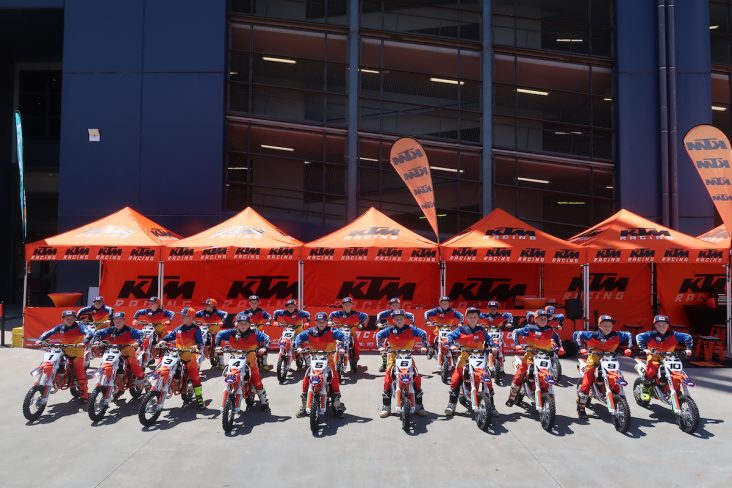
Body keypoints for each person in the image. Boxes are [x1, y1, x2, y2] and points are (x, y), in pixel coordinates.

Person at [572, 315, 632, 419]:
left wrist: (628, 348)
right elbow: (577, 334)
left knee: (618, 379)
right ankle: (581, 408)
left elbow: (629, 335)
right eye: (605, 325)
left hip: (610, 360)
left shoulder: (617, 335)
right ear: (599, 326)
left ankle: (621, 400)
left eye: (609, 325)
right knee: (586, 382)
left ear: (612, 326)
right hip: (594, 360)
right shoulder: (592, 335)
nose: (607, 327)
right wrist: (580, 348)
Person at [444, 307, 498, 416]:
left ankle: (491, 406)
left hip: (479, 359)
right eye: (470, 316)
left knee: (487, 381)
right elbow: (449, 336)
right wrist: (451, 344)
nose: (473, 318)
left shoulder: (481, 330)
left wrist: (493, 346)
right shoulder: (461, 329)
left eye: (475, 316)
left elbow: (489, 339)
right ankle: (451, 404)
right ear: (466, 318)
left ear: (478, 318)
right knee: (455, 379)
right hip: (464, 359)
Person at [376, 309, 429, 418]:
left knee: (416, 379)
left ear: (405, 320)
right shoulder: (389, 330)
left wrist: (424, 346)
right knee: (387, 379)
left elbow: (423, 333)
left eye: (401, 319)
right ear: (393, 320)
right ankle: (386, 407)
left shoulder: (411, 329)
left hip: (408, 357)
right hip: (393, 357)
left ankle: (419, 406)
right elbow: (379, 335)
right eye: (397, 319)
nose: (399, 321)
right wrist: (380, 347)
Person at [294, 312, 347, 418]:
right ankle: (304, 406)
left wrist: (342, 348)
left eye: (323, 321)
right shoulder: (311, 331)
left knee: (335, 380)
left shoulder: (333, 331)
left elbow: (344, 337)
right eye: (319, 322)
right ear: (316, 322)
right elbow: (299, 336)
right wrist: (299, 346)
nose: (321, 324)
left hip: (329, 360)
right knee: (306, 380)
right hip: (314, 360)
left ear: (327, 322)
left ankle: (336, 406)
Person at [214, 312, 271, 411]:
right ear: (237, 324)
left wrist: (265, 348)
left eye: (245, 323)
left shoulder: (255, 333)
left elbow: (266, 338)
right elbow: (219, 334)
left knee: (257, 381)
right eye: (240, 323)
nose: (243, 325)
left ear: (249, 324)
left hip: (250, 361)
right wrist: (218, 346)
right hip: (235, 360)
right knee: (228, 376)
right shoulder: (231, 332)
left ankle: (264, 401)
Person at [505, 309, 561, 407]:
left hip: (545, 357)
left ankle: (547, 395)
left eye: (545, 318)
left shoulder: (550, 329)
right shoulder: (530, 328)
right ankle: (512, 397)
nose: (543, 320)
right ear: (535, 319)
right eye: (541, 318)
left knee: (549, 376)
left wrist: (560, 347)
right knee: (519, 374)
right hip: (530, 356)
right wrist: (517, 344)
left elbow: (556, 338)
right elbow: (515, 332)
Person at [38, 310, 93, 403]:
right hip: (64, 352)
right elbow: (49, 332)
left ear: (75, 319)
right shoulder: (60, 327)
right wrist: (40, 339)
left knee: (79, 371)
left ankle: (84, 394)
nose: (69, 320)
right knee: (51, 362)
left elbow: (89, 333)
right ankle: (56, 378)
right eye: (67, 318)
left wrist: (83, 343)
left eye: (71, 318)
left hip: (77, 353)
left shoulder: (80, 326)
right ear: (62, 319)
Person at [635, 315, 693, 402]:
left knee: (677, 373)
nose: (661, 327)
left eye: (664, 325)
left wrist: (688, 349)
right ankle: (645, 389)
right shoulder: (650, 335)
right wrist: (644, 349)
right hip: (654, 358)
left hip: (670, 359)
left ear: (668, 325)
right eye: (659, 325)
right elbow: (639, 337)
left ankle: (676, 391)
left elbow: (688, 337)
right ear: (655, 325)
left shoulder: (674, 335)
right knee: (651, 372)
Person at [158, 307, 206, 409]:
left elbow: (200, 343)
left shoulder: (196, 329)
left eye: (184, 316)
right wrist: (163, 340)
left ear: (191, 318)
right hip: (177, 356)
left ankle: (199, 399)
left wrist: (196, 346)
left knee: (195, 377)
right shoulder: (179, 328)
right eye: (182, 316)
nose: (182, 318)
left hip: (190, 357)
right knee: (163, 367)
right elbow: (171, 336)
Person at [93, 312, 146, 398]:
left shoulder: (130, 330)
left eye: (120, 320)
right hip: (112, 352)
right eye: (115, 320)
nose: (117, 322)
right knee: (104, 364)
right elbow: (98, 333)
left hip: (127, 352)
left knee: (134, 366)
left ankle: (144, 381)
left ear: (124, 320)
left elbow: (142, 334)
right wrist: (96, 341)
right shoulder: (110, 330)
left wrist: (138, 342)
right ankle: (113, 383)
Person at [376, 298, 415, 372]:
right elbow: (379, 314)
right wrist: (378, 323)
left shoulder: (402, 313)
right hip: (391, 332)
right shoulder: (388, 313)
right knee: (385, 346)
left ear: (399, 305)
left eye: (396, 305)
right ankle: (384, 363)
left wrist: (412, 324)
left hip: (401, 332)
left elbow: (411, 315)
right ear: (390, 306)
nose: (395, 306)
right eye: (393, 305)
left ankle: (409, 365)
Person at [328, 297, 368, 368]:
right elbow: (331, 314)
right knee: (333, 342)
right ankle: (331, 359)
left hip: (352, 333)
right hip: (341, 332)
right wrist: (330, 321)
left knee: (356, 345)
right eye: (345, 304)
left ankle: (354, 360)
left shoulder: (356, 314)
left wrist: (361, 324)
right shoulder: (339, 313)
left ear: (352, 305)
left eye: (349, 304)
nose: (347, 306)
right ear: (343, 305)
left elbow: (366, 316)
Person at [242, 294, 273, 370]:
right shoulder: (246, 312)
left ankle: (264, 363)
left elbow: (269, 316)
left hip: (259, 331)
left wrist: (268, 321)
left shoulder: (262, 312)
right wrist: (236, 322)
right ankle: (244, 359)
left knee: (264, 343)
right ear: (249, 303)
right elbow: (238, 316)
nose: (253, 304)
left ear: (258, 302)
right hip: (248, 331)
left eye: (255, 302)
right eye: (251, 302)